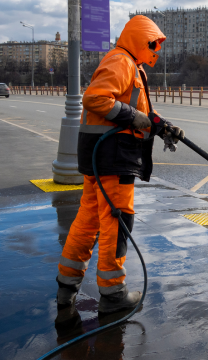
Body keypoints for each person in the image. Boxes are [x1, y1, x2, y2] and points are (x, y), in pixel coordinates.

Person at [56, 15, 184, 314]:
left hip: (101, 158)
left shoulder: (132, 66)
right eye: (154, 43)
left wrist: (162, 125)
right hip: (113, 157)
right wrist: (135, 118)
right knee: (117, 220)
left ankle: (66, 287)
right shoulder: (121, 61)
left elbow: (137, 111)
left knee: (88, 220)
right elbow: (96, 99)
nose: (157, 49)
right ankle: (113, 293)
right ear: (140, 40)